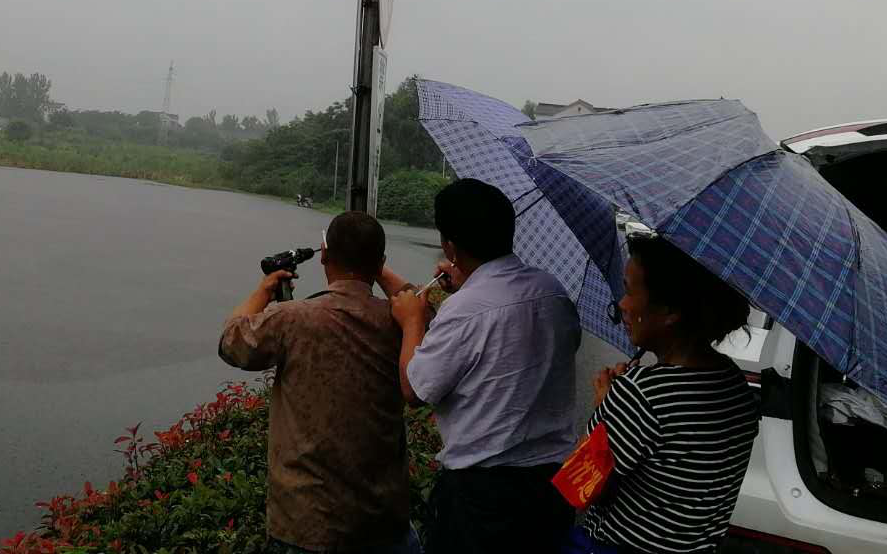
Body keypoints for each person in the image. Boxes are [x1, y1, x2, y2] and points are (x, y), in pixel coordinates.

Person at [382, 178, 581, 553]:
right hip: (551, 489)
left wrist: (412, 322)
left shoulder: (464, 310)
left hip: (484, 499)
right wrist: (467, 286)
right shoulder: (553, 291)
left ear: (450, 246)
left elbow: (414, 389)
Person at [218, 211, 419, 554]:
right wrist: (374, 266)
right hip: (383, 521)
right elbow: (421, 306)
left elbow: (231, 342)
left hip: (307, 524)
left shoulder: (293, 318)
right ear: (381, 262)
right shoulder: (402, 321)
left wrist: (264, 290)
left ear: (324, 255)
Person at [563, 234, 759, 554]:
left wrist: (604, 407)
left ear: (670, 312)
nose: (622, 305)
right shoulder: (735, 385)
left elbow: (578, 488)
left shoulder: (639, 394)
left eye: (629, 291)